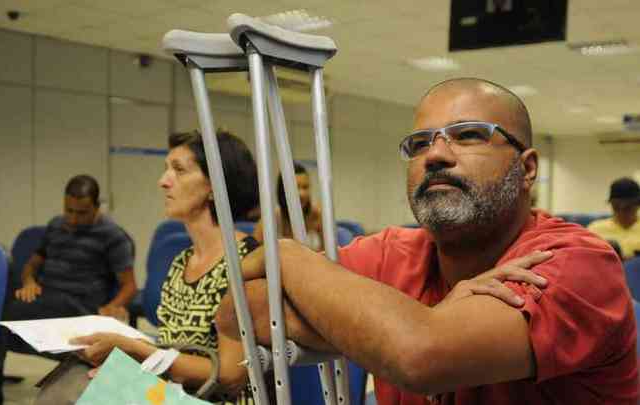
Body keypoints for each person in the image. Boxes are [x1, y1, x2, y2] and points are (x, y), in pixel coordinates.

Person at [217, 78, 638, 404]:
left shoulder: (576, 264)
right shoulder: (389, 254)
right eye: (419, 143)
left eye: (469, 134)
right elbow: (238, 312)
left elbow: (419, 357)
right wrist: (408, 326)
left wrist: (288, 256)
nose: (435, 154)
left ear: (527, 169)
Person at [36, 130, 262, 405]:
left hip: (217, 399)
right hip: (177, 393)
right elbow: (172, 352)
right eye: (166, 169)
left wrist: (138, 351)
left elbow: (229, 374)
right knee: (71, 380)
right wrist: (125, 355)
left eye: (178, 170)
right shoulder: (181, 262)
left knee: (73, 393)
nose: (163, 181)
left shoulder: (246, 263)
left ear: (215, 186)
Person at [0, 174, 137, 405]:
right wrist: (29, 282)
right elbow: (32, 264)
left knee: (1, 319)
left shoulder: (113, 236)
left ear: (97, 207)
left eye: (82, 213)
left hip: (79, 306)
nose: (74, 219)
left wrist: (112, 306)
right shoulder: (56, 225)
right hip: (46, 298)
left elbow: (130, 285)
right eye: (69, 211)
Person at [253, 162, 324, 251]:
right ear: (283, 190)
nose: (301, 194)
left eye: (305, 187)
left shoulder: (318, 215)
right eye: (296, 187)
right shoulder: (271, 219)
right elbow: (252, 254)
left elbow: (330, 256)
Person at [588, 177, 640, 259]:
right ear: (611, 204)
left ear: (638, 205)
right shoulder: (595, 229)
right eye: (616, 206)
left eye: (628, 207)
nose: (621, 212)